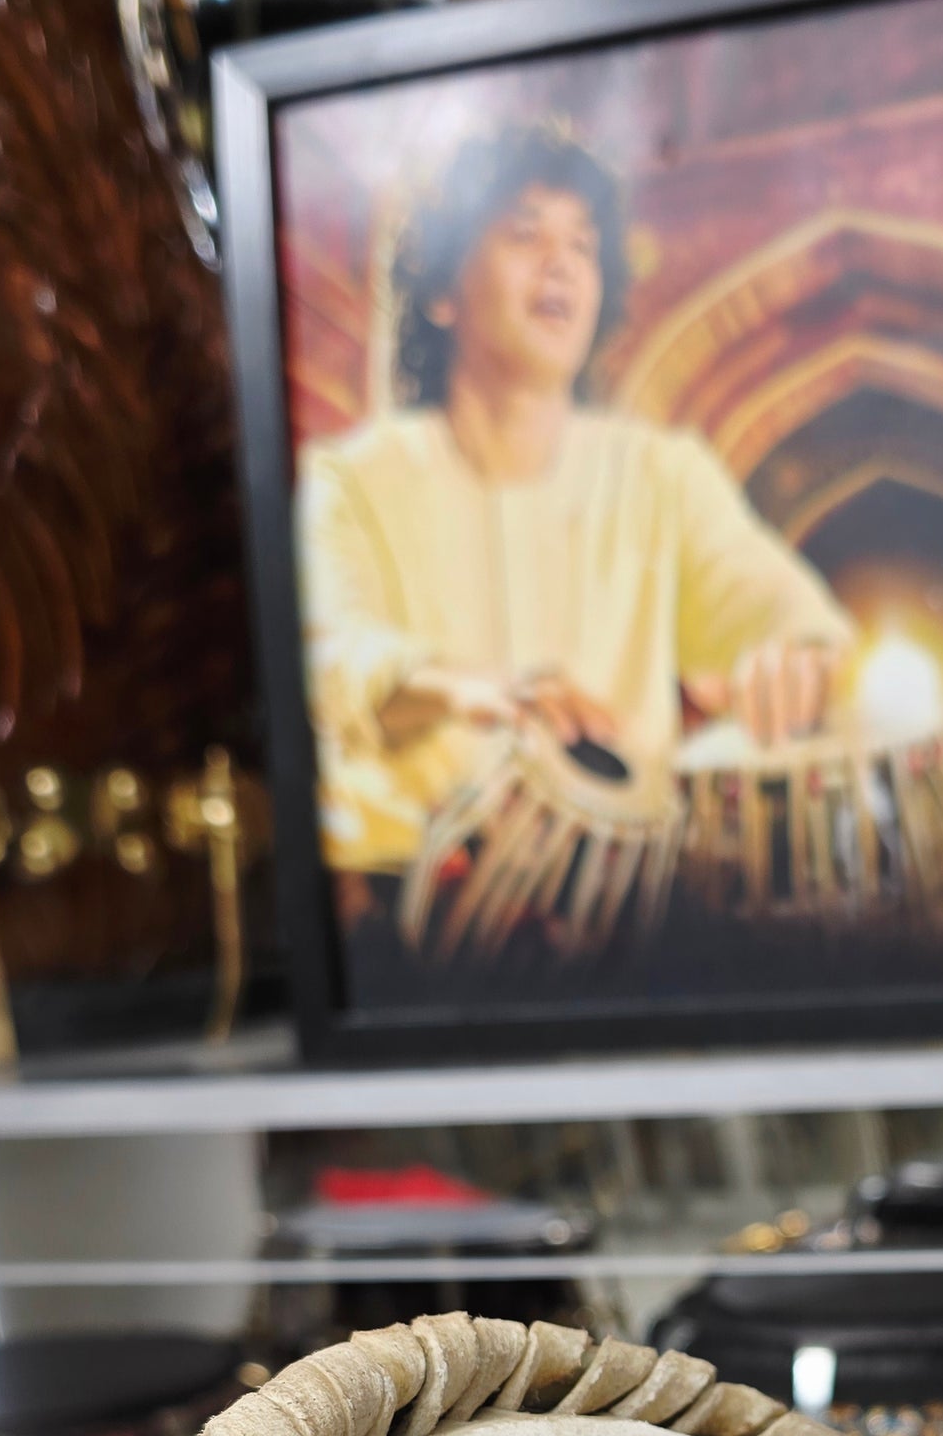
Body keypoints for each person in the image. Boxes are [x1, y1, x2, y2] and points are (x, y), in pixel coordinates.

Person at [298, 123, 854, 878]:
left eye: (584, 246)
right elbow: (331, 656)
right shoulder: (351, 480)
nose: (560, 264)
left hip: (623, 898)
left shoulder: (661, 474)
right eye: (525, 235)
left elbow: (775, 608)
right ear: (441, 292)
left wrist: (796, 653)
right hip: (406, 895)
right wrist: (462, 687)